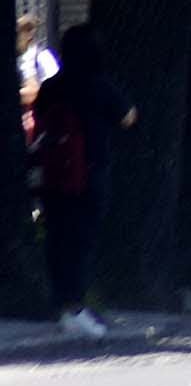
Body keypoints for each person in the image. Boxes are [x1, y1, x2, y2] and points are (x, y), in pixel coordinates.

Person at [31, 23, 133, 340]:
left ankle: (60, 305)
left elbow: (38, 113)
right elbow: (128, 117)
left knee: (57, 241)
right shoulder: (101, 86)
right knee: (81, 244)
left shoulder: (52, 86)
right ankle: (75, 309)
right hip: (89, 174)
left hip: (54, 176)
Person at [16, 15, 55, 110]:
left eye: (18, 33)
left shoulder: (42, 56)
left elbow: (53, 91)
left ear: (30, 34)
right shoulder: (17, 58)